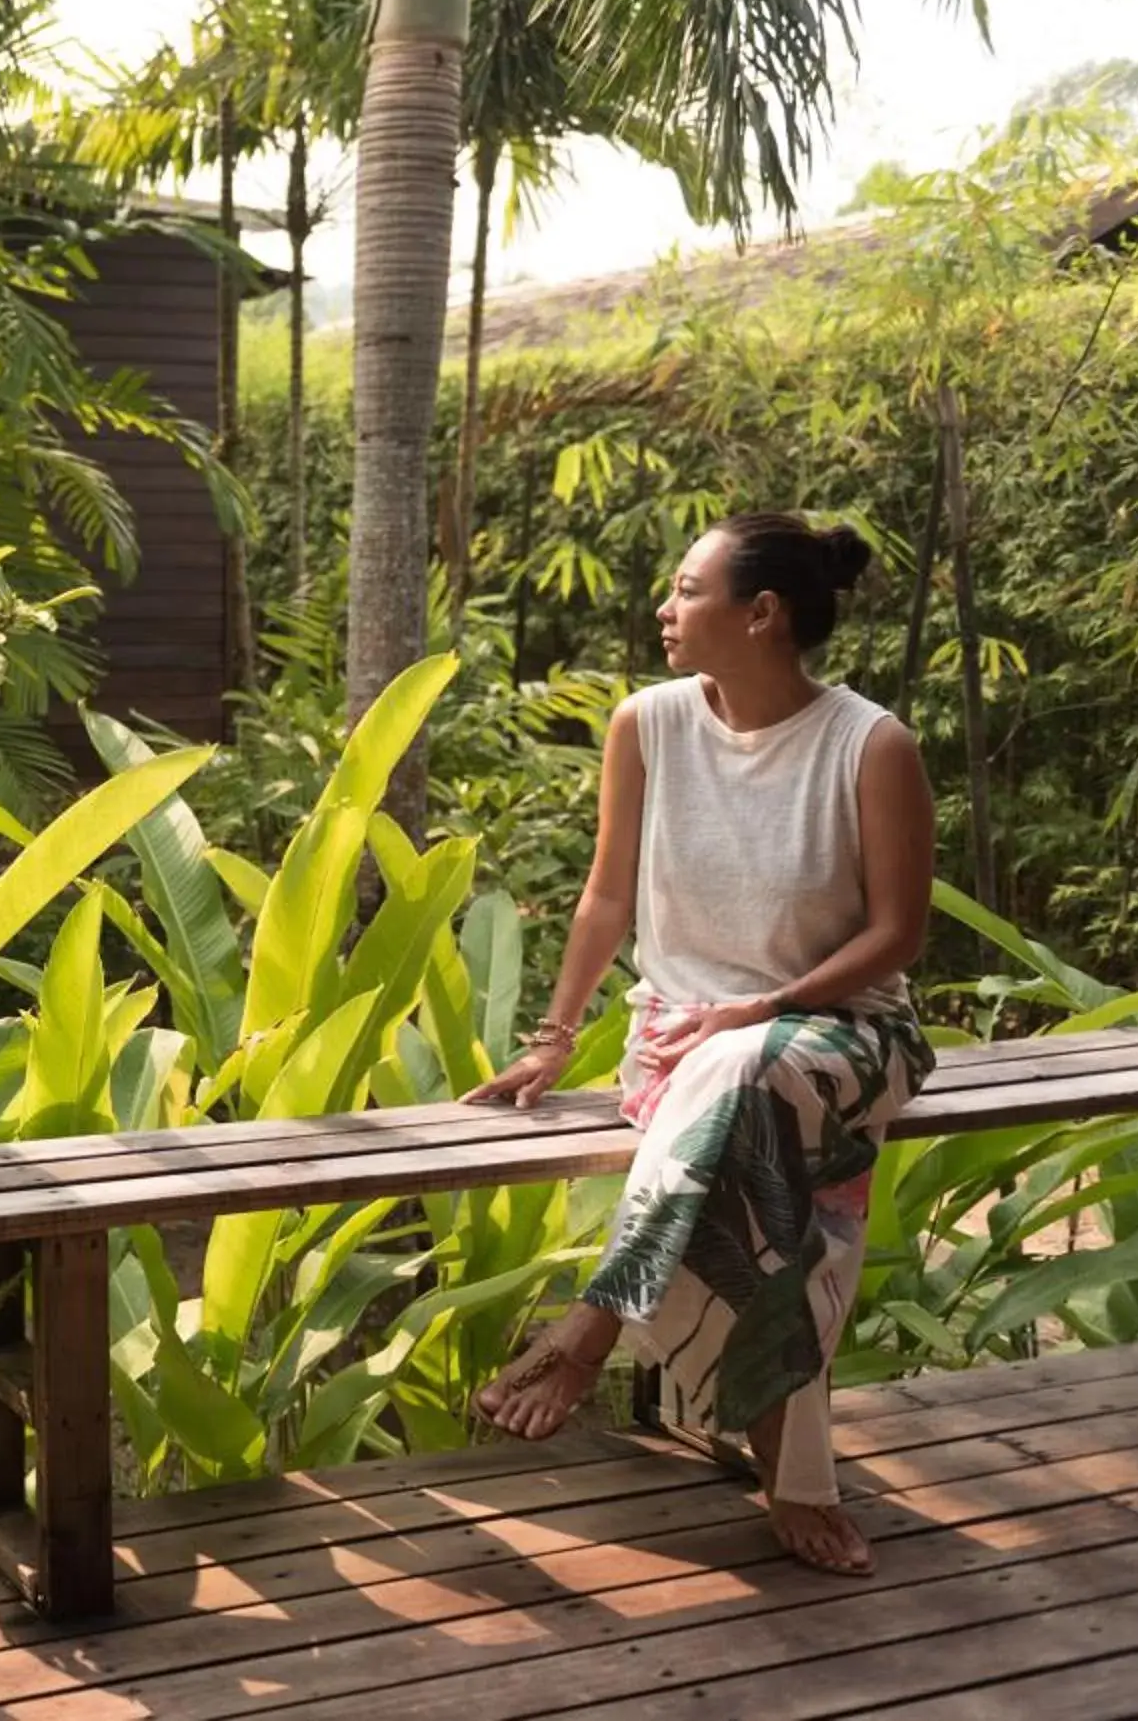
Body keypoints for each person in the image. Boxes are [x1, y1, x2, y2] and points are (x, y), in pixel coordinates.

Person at [461, 511, 936, 1578]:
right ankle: (797, 1478)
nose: (664, 610)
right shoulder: (650, 722)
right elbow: (605, 895)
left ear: (760, 613)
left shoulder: (871, 743)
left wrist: (765, 1010)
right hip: (686, 1051)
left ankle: (587, 1329)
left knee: (739, 1072)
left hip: (847, 1032)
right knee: (758, 1168)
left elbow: (897, 934)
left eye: (686, 590)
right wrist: (553, 1038)